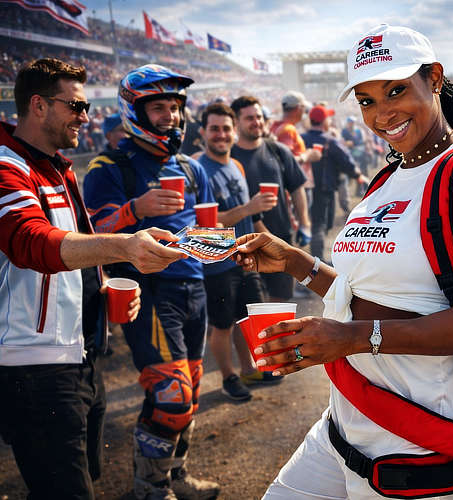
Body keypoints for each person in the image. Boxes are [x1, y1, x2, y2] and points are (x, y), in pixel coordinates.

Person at [233, 24, 453, 499]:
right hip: (343, 427)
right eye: (367, 100)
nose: (382, 113)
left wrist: (351, 338)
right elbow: (373, 293)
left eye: (396, 90)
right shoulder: (389, 178)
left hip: (418, 448)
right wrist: (297, 263)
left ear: (434, 79)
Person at [0, 58, 185, 500]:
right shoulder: (7, 165)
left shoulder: (56, 167)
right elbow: (32, 241)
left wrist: (99, 291)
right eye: (77, 105)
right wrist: (124, 246)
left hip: (79, 353)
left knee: (75, 482)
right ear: (39, 105)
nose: (86, 115)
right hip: (33, 365)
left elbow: (72, 250)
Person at [83, 64, 220, 500]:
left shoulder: (190, 167)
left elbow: (203, 229)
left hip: (193, 287)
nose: (170, 116)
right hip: (150, 291)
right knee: (172, 395)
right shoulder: (110, 166)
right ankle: (149, 490)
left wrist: (230, 248)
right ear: (134, 111)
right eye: (159, 107)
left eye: (175, 107)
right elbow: (91, 235)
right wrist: (135, 209)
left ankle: (175, 478)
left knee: (189, 391)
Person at [196, 101, 278, 399]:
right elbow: (203, 224)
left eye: (226, 128)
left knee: (249, 317)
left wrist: (277, 246)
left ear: (234, 132)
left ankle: (249, 369)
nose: (220, 134)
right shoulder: (199, 170)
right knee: (223, 325)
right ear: (203, 132)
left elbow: (251, 217)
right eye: (214, 129)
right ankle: (229, 377)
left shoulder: (237, 165)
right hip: (216, 263)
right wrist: (248, 208)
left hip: (246, 258)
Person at [230, 95, 310, 302]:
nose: (256, 122)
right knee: (248, 308)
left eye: (258, 116)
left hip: (281, 236)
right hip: (243, 245)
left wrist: (304, 224)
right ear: (236, 122)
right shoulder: (228, 157)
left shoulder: (278, 150)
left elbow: (297, 188)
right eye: (249, 118)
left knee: (279, 302)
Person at [301, 104, 367, 261]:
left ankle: (314, 259)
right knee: (320, 225)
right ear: (324, 121)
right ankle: (316, 263)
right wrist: (357, 174)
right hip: (323, 189)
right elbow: (347, 162)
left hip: (302, 190)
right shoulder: (330, 141)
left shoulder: (301, 139)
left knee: (316, 223)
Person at [270, 90, 320, 243]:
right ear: (298, 108)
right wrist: (308, 156)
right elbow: (286, 161)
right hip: (296, 188)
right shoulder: (288, 130)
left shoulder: (276, 126)